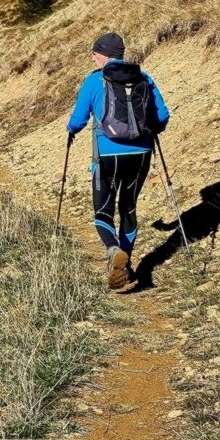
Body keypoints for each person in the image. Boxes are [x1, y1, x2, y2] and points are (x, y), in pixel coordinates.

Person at [67, 32, 170, 289]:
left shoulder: (94, 81)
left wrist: (70, 130)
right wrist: (150, 129)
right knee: (128, 207)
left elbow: (78, 120)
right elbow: (162, 117)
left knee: (103, 210)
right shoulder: (143, 78)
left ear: (101, 55)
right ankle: (126, 264)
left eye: (93, 55)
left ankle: (114, 251)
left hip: (107, 155)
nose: (93, 60)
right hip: (141, 154)